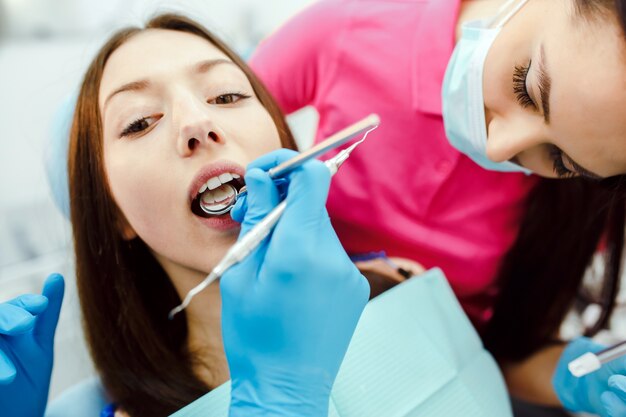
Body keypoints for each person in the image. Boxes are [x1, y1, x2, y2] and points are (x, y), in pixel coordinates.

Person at [248, 0, 626, 415]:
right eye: (526, 87)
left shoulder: (592, 187)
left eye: (559, 160)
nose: (499, 147)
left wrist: (575, 378)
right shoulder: (347, 31)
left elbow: (503, 350)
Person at [0, 13, 369, 417]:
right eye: (139, 122)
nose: (197, 122)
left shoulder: (401, 284)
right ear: (114, 215)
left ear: (281, 135)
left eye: (226, 96)